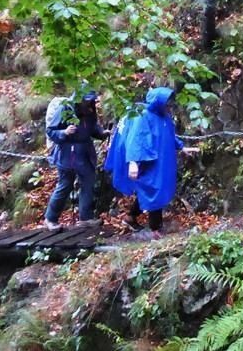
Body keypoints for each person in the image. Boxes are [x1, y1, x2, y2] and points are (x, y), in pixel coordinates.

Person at [106, 87, 196, 238]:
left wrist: (182, 147)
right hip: (150, 161)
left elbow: (168, 134)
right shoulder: (143, 116)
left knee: (151, 190)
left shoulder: (163, 116)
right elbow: (136, 139)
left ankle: (130, 217)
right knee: (155, 190)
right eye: (166, 101)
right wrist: (133, 162)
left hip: (162, 161)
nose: (169, 105)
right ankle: (155, 229)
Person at [43, 91, 110, 231]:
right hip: (67, 154)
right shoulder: (65, 108)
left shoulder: (90, 109)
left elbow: (91, 127)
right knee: (65, 185)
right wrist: (64, 132)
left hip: (85, 153)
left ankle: (86, 218)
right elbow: (51, 131)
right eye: (86, 99)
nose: (88, 102)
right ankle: (50, 219)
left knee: (88, 183)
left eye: (90, 99)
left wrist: (101, 133)